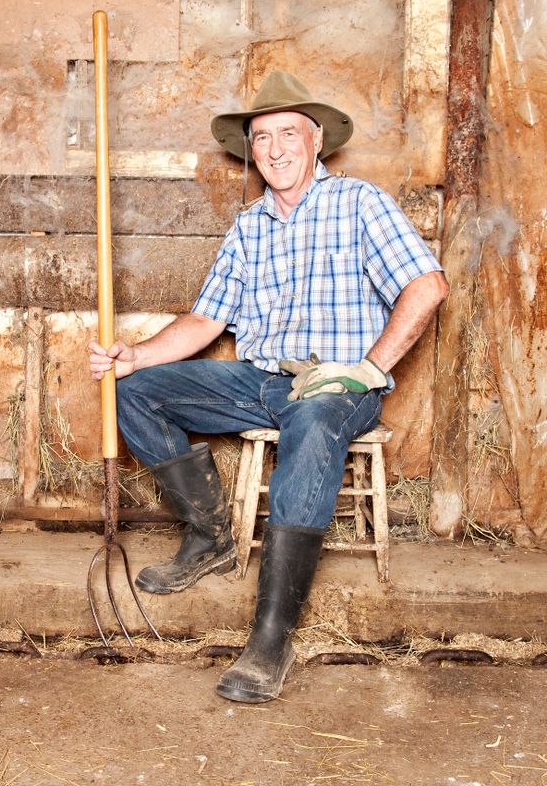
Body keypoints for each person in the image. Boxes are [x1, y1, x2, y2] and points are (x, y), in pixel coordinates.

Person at [88, 71, 449, 703]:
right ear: (250, 149)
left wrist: (367, 368)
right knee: (135, 391)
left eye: (289, 134)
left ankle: (271, 638)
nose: (275, 149)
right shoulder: (248, 226)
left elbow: (427, 286)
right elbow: (205, 320)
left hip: (339, 387)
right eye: (262, 137)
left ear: (316, 143)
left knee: (312, 420)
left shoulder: (360, 203)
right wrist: (135, 356)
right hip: (261, 379)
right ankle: (209, 538)